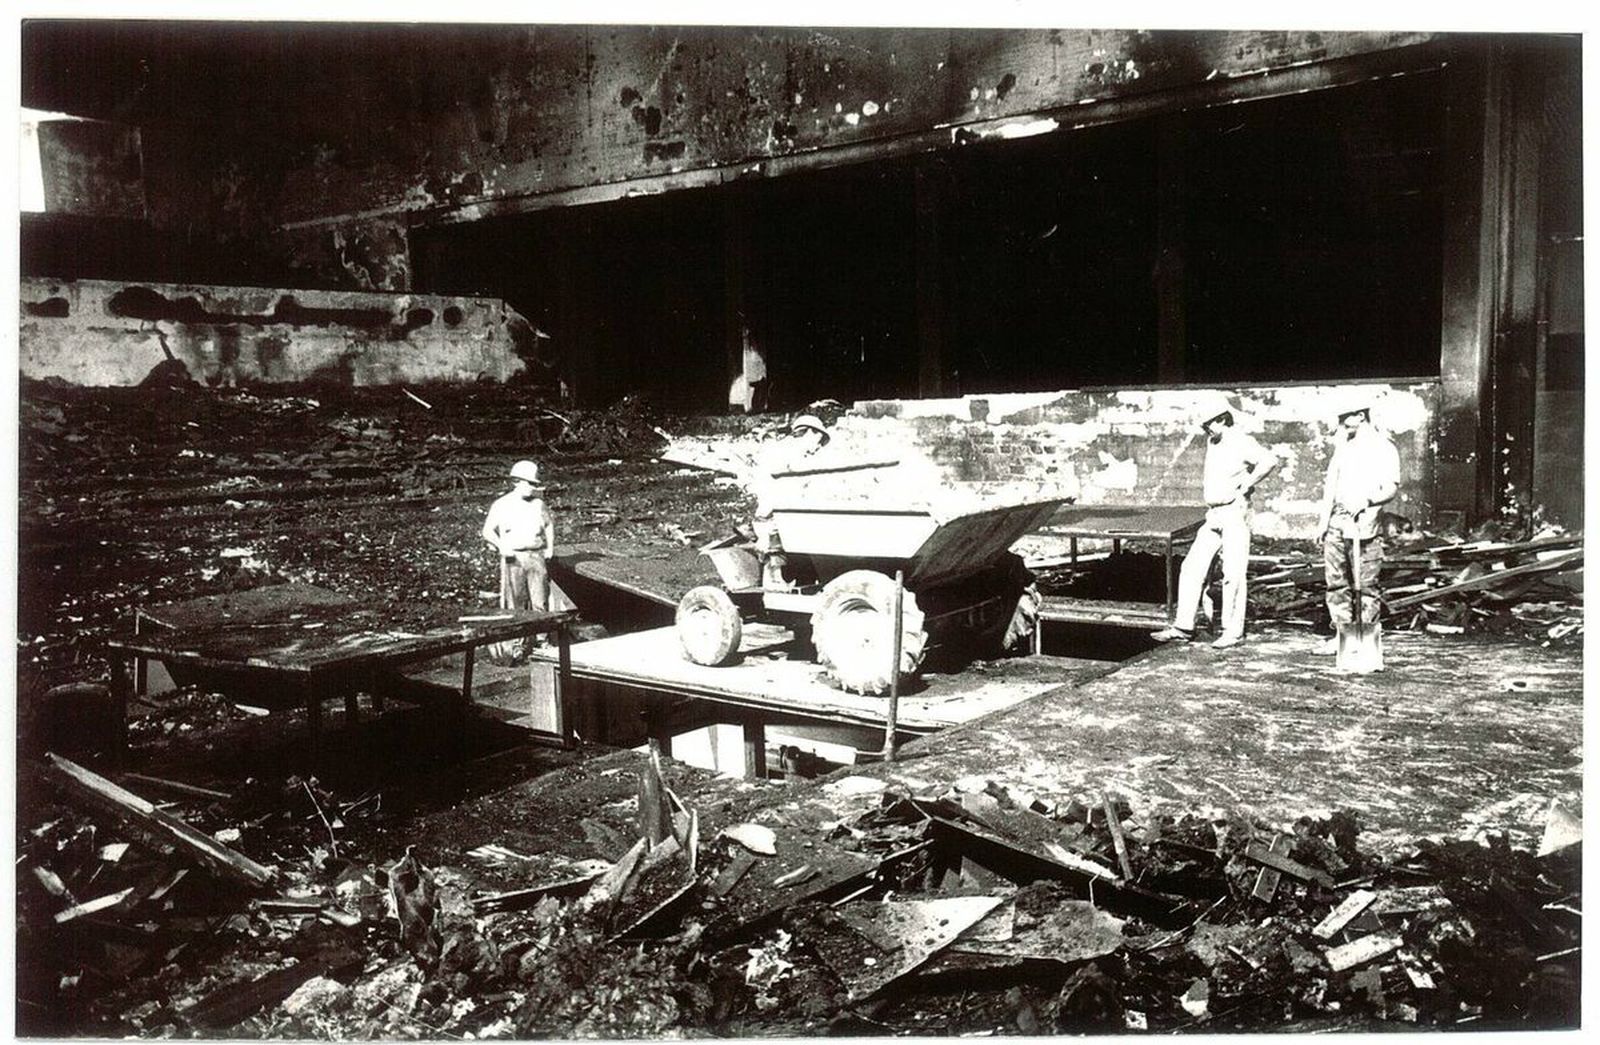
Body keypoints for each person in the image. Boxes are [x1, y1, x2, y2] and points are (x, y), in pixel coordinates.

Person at [1152, 395, 1278, 649]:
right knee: (1191, 566)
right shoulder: (1214, 440)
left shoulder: (1242, 440)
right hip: (1214, 513)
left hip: (1235, 511)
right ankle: (1183, 626)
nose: (1206, 428)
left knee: (1233, 572)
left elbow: (1269, 461)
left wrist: (1247, 485)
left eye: (1209, 423)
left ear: (1222, 418)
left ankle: (1233, 631)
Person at [1315, 397, 1401, 654]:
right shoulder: (1343, 447)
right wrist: (1323, 521)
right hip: (1337, 523)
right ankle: (1342, 637)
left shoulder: (1384, 447)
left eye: (1345, 417)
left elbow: (1391, 488)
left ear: (1361, 416)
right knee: (1336, 583)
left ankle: (1364, 640)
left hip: (1365, 524)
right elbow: (1331, 485)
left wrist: (1367, 500)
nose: (1341, 423)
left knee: (1366, 586)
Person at [482, 460, 555, 657]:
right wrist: (502, 545)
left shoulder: (539, 504)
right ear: (517, 482)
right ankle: (517, 645)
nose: (533, 488)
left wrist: (550, 547)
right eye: (529, 484)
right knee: (516, 602)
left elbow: (548, 525)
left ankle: (542, 641)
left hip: (536, 555)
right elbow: (487, 531)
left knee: (540, 600)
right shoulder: (502, 504)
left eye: (534, 484)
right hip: (514, 557)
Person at [750, 414, 831, 589]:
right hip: (773, 514)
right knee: (777, 540)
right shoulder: (786, 452)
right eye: (819, 441)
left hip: (787, 511)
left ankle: (804, 579)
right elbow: (778, 489)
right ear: (810, 433)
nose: (818, 448)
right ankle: (774, 582)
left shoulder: (799, 454)